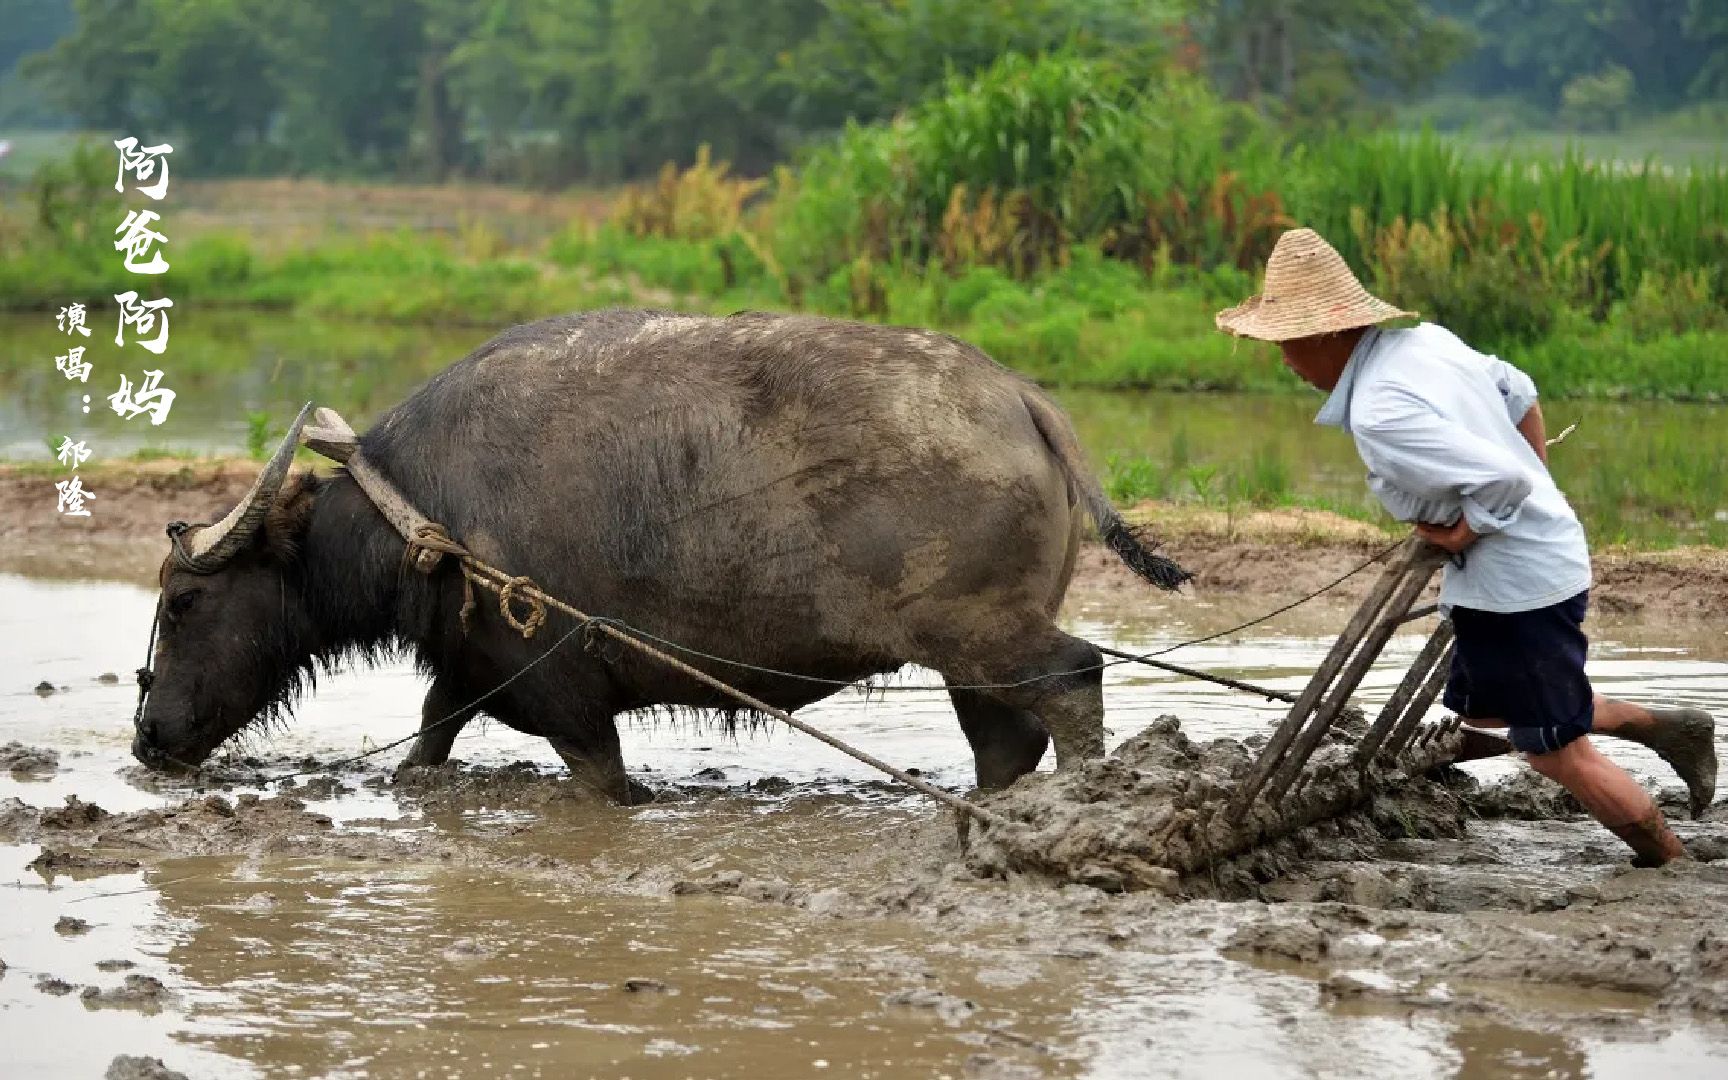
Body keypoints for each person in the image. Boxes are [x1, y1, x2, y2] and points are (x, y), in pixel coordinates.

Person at [1214, 227, 1718, 867]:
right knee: (1486, 713)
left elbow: (1501, 480)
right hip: (1515, 569)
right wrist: (1533, 486)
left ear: (1327, 334)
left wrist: (1467, 527)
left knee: (1552, 750)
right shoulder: (1422, 343)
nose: (1283, 358)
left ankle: (1668, 861)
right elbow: (1521, 391)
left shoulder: (1379, 411)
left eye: (1286, 342)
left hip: (1518, 583)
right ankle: (1668, 727)